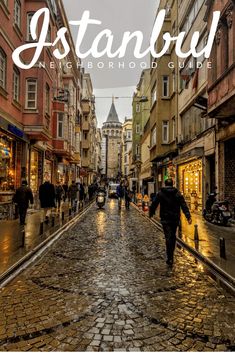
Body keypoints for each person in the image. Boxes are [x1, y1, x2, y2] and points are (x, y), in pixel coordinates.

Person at [149, 178, 192, 266]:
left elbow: (154, 203)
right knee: (173, 236)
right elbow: (183, 205)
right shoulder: (177, 193)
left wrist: (151, 213)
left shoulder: (160, 193)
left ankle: (170, 257)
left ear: (165, 184)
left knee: (168, 236)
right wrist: (188, 216)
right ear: (173, 184)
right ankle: (171, 255)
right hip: (175, 218)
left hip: (165, 218)